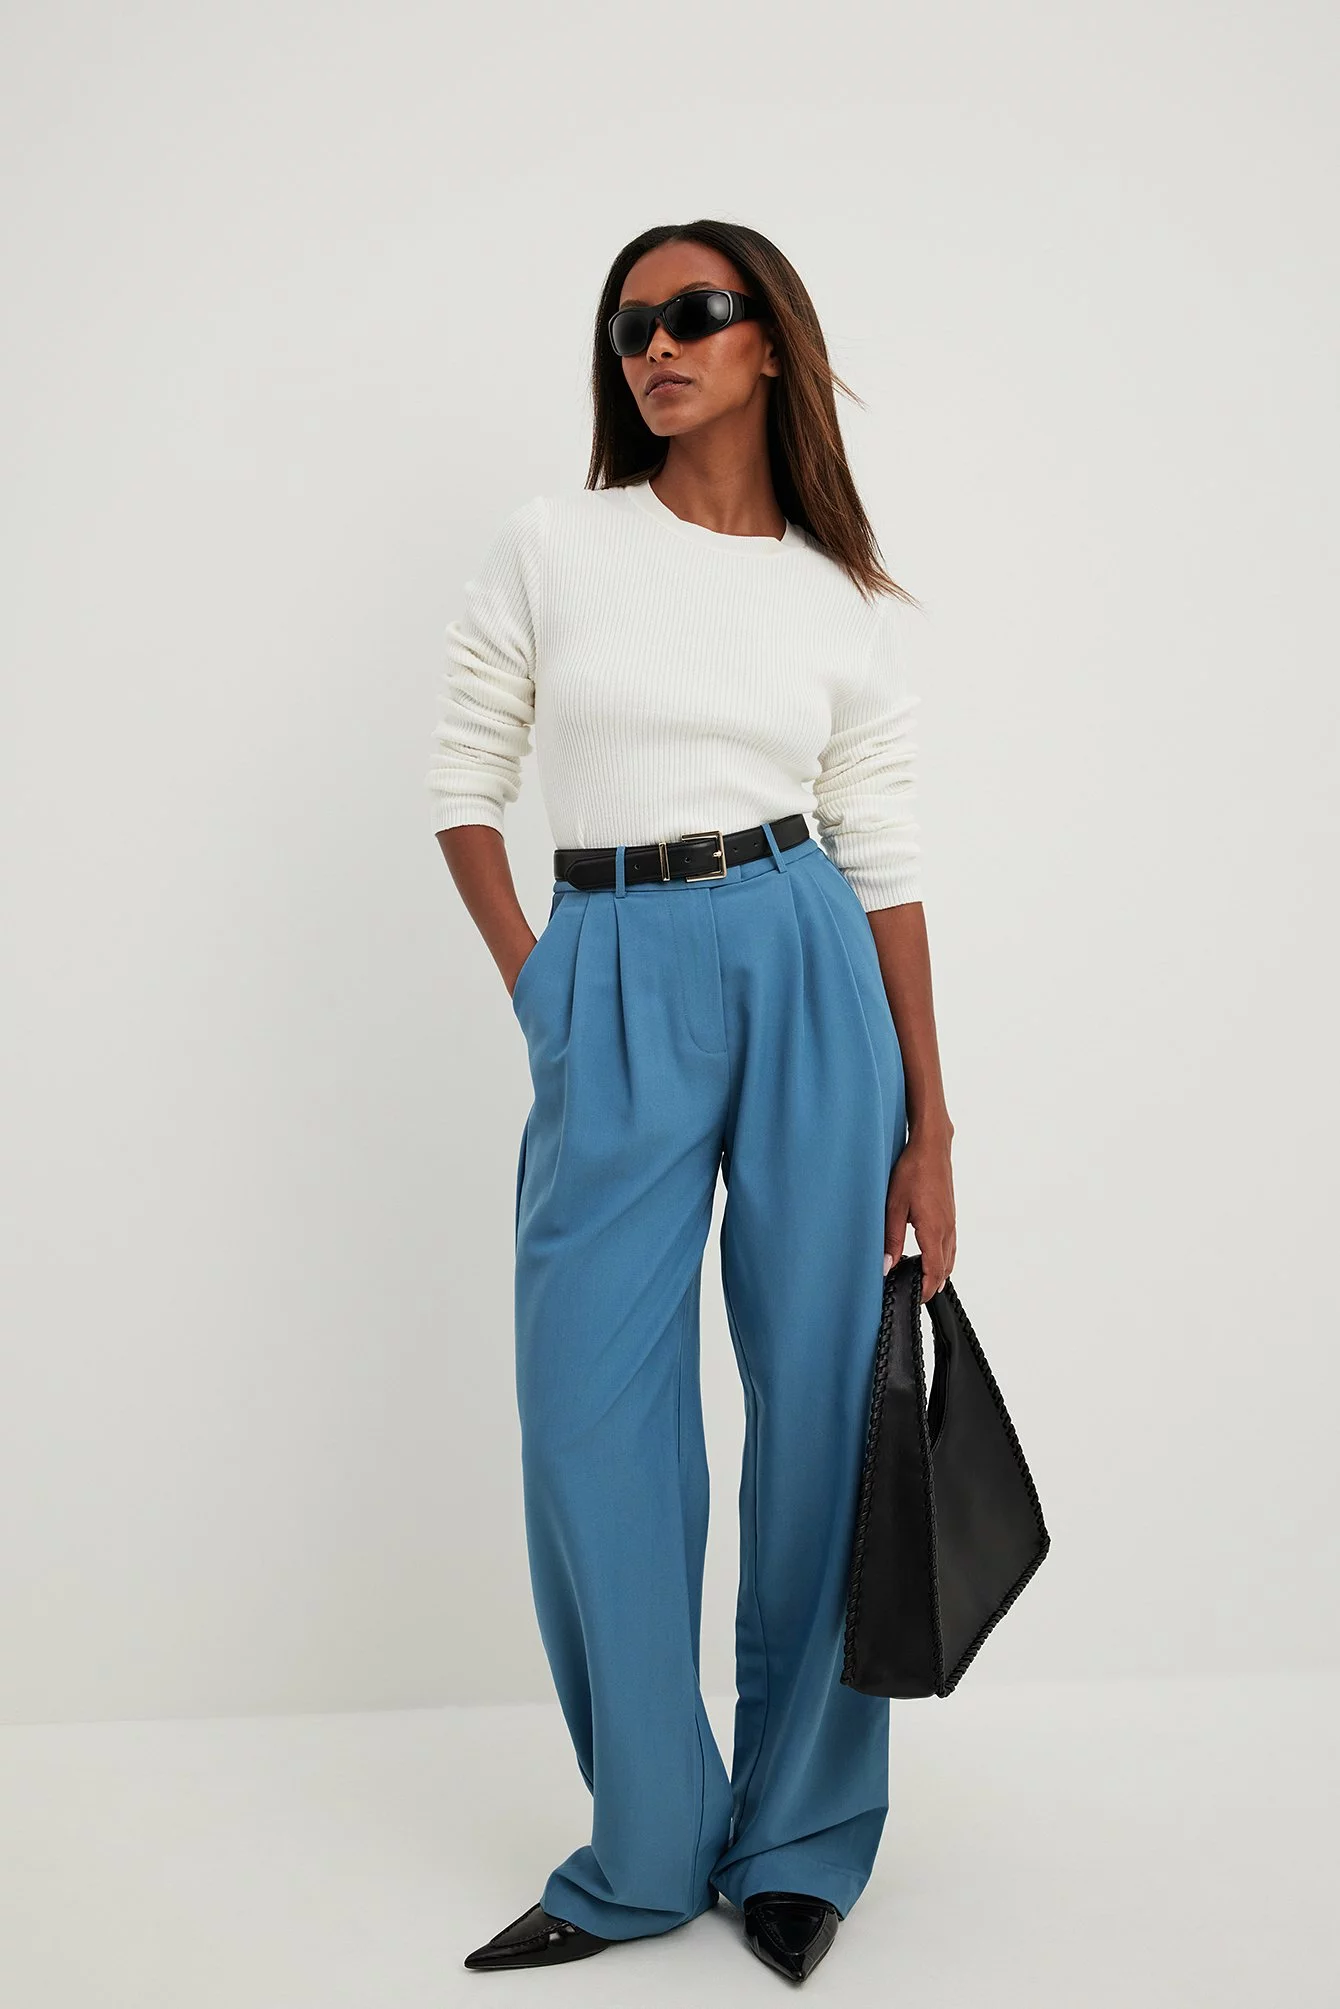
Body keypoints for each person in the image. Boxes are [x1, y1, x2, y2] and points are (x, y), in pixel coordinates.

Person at [426, 218, 956, 1986]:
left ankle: (800, 1839)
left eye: (693, 314)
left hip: (806, 954)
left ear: (768, 342)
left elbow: (885, 851)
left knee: (822, 1404)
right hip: (609, 960)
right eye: (630, 323)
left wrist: (933, 1126)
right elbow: (464, 778)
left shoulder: (833, 595)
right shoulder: (556, 542)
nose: (654, 344)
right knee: (588, 1408)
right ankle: (647, 1844)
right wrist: (542, 985)